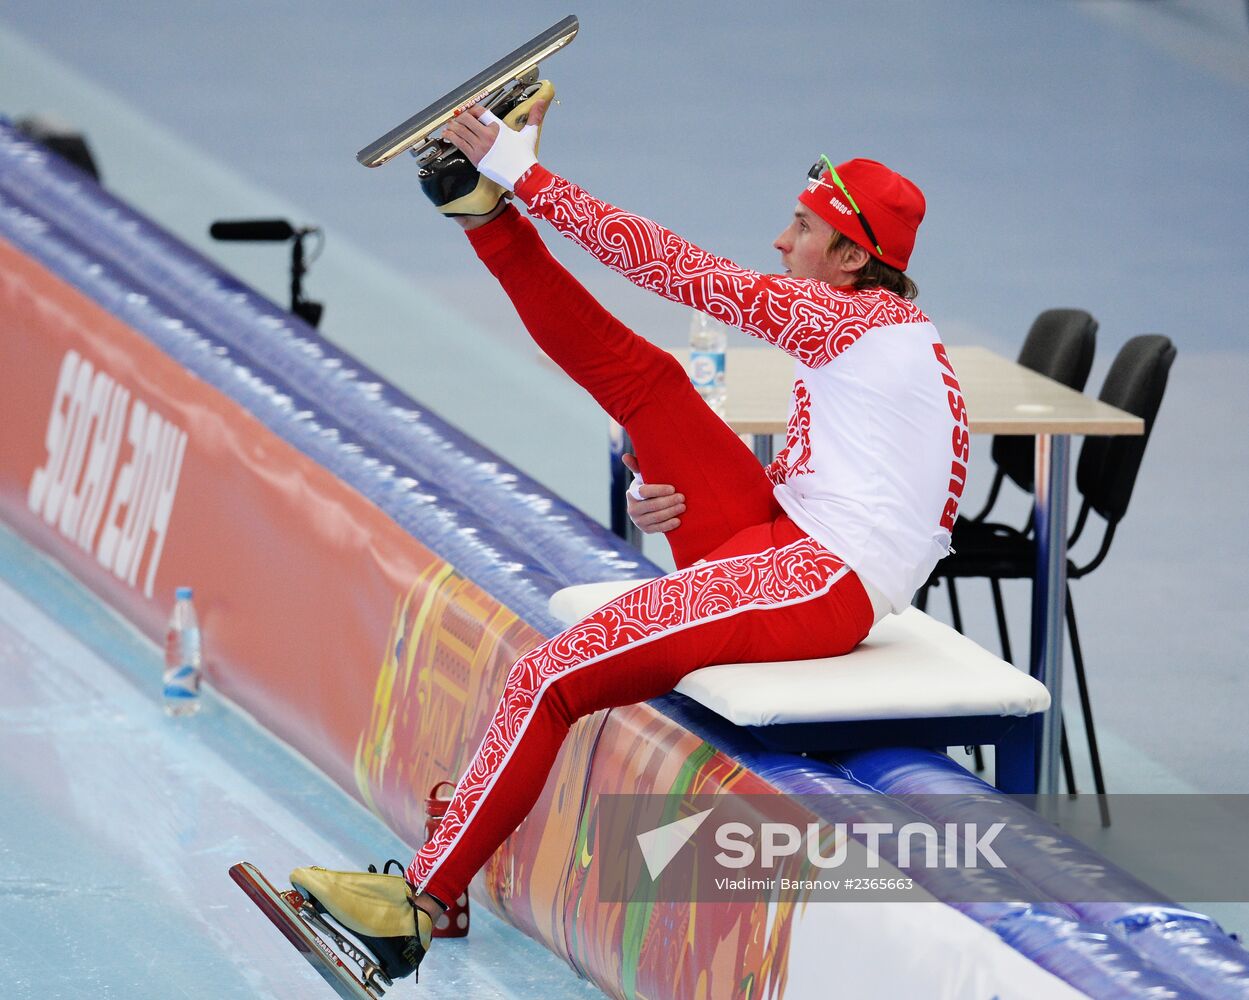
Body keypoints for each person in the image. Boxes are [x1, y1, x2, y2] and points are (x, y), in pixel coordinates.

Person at [289, 86, 966, 984]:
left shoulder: (843, 318)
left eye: (799, 229)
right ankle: (482, 219)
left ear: (847, 255)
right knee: (647, 382)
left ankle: (420, 901)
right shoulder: (874, 330)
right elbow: (854, 485)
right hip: (791, 535)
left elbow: (672, 269)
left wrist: (526, 172)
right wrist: (683, 495)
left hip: (816, 580)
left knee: (552, 675)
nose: (779, 242)